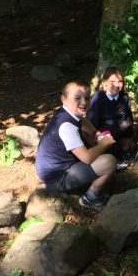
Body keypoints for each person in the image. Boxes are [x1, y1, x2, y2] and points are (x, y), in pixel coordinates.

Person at [35, 80, 117, 211]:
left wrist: (96, 133)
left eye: (87, 98)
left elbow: (83, 120)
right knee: (110, 161)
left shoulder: (65, 112)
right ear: (64, 99)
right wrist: (104, 143)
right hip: (57, 177)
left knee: (90, 145)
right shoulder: (66, 127)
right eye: (78, 98)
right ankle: (90, 198)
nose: (84, 102)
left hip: (49, 170)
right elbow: (87, 158)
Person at [86, 66, 134, 160]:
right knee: (110, 154)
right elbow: (91, 122)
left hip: (120, 130)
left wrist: (130, 139)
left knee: (127, 124)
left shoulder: (124, 97)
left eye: (120, 81)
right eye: (112, 82)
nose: (117, 85)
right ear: (104, 83)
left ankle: (125, 150)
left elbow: (129, 119)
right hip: (102, 133)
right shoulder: (98, 97)